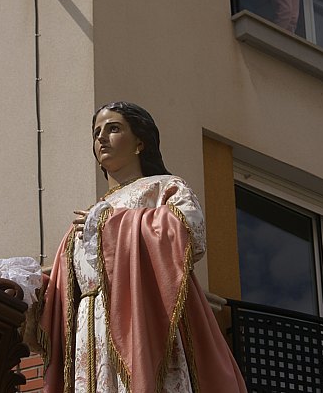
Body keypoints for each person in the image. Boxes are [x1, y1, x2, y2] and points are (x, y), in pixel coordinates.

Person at [38, 101, 247, 392]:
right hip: (90, 325)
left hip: (141, 316)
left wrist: (112, 224)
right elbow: (68, 277)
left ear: (140, 142)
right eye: (97, 132)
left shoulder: (163, 187)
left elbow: (189, 231)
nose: (100, 138)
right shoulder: (94, 211)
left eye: (113, 129)